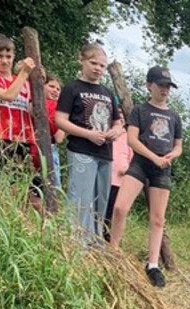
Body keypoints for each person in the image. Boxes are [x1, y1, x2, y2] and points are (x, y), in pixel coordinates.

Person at [109, 66, 183, 288]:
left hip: (162, 168)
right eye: (161, 85)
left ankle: (152, 265)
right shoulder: (140, 111)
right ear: (149, 85)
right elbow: (132, 140)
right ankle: (113, 252)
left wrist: (171, 155)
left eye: (168, 86)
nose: (165, 90)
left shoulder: (174, 116)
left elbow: (178, 146)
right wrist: (153, 157)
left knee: (158, 219)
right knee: (120, 207)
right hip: (141, 163)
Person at [55, 42, 123, 242]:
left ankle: (95, 242)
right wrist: (87, 134)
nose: (98, 68)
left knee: (101, 199)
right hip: (81, 149)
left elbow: (118, 122)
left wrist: (115, 131)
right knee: (80, 197)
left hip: (105, 153)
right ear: (81, 60)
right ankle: (74, 242)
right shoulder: (72, 88)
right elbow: (60, 120)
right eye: (94, 63)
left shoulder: (108, 93)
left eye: (102, 65)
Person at [0, 34, 38, 182]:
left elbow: (33, 112)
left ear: (14, 56)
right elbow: (8, 96)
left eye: (8, 56)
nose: (4, 61)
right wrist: (24, 72)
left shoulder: (26, 84)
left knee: (23, 188)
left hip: (25, 140)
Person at [102, 107, 133, 243]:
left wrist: (127, 169)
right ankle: (98, 235)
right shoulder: (107, 133)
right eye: (117, 114)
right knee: (101, 209)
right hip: (104, 178)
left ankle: (111, 239)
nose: (120, 117)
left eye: (122, 114)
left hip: (119, 181)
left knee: (113, 211)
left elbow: (133, 158)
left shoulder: (129, 137)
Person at [43, 73, 65, 189]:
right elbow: (59, 137)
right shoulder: (54, 106)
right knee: (53, 186)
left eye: (58, 89)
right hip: (48, 148)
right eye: (51, 86)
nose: (55, 90)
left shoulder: (32, 103)